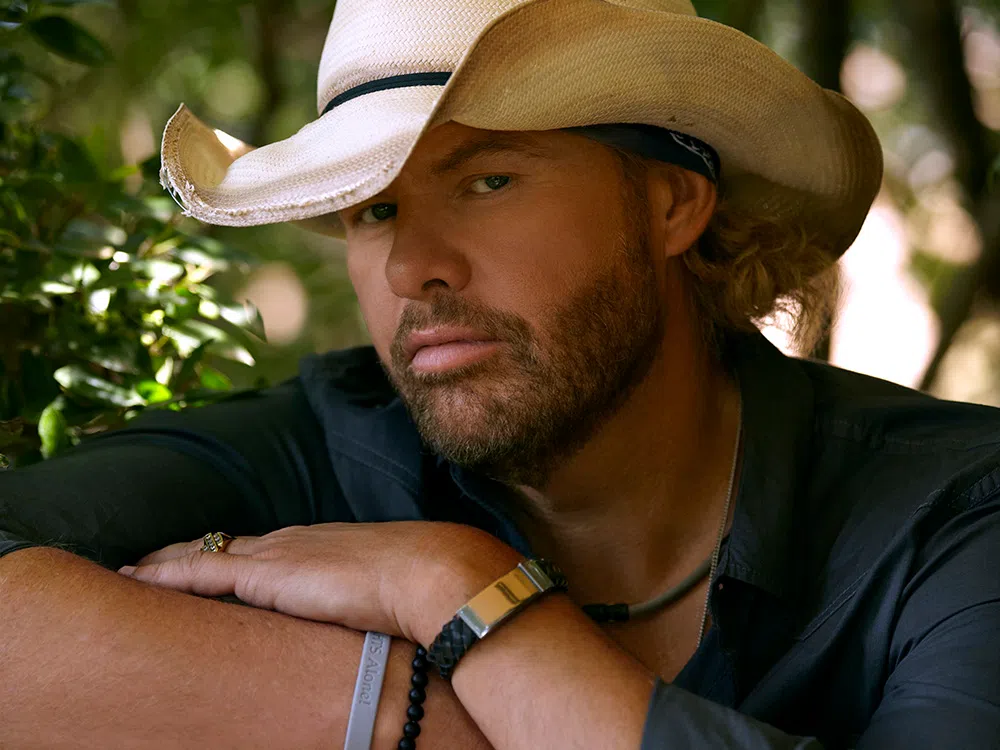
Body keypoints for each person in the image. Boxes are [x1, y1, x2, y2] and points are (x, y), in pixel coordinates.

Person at [2, 0, 999, 748]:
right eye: (375, 210)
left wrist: (456, 593)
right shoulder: (315, 448)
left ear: (672, 204)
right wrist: (406, 713)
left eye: (487, 180)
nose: (411, 268)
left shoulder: (953, 512)